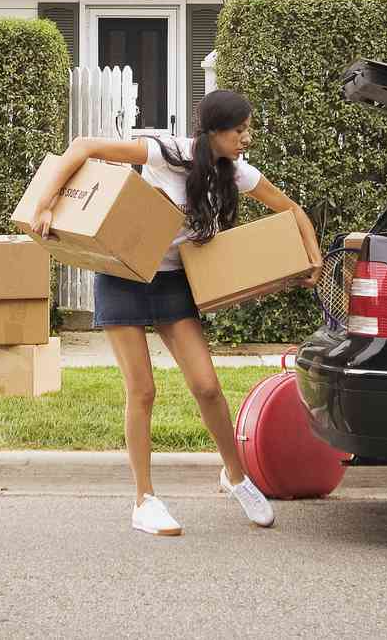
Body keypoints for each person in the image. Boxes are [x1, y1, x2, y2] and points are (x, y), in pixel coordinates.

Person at [28, 89, 324, 536]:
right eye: (240, 131)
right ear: (213, 132)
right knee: (142, 391)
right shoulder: (165, 152)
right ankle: (144, 500)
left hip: (172, 283)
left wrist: (313, 256)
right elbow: (83, 147)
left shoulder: (235, 172)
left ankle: (236, 476)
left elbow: (291, 209)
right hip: (125, 276)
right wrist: (45, 203)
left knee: (207, 386)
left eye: (248, 130)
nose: (248, 139)